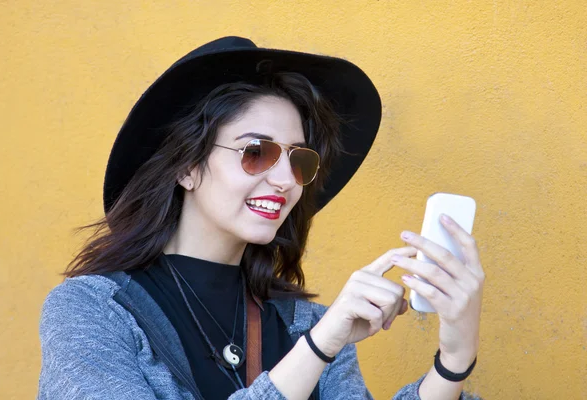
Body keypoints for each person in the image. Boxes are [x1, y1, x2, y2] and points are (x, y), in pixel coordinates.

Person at [37, 37, 485, 400]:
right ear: (186, 167)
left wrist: (455, 356)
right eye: (257, 152)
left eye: (299, 162)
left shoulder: (302, 322)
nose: (285, 180)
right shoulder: (94, 308)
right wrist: (316, 349)